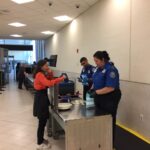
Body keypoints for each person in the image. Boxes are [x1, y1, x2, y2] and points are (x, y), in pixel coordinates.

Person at [90, 51, 121, 149]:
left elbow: (110, 87)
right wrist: (92, 88)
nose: (95, 63)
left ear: (103, 60)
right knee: (99, 119)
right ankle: (100, 141)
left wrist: (97, 92)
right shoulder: (97, 69)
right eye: (94, 61)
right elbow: (95, 80)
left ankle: (110, 145)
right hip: (99, 96)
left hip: (110, 97)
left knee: (108, 121)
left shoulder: (111, 70)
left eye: (97, 61)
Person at [33, 59, 65, 150]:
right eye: (46, 66)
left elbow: (49, 79)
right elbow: (48, 83)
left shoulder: (42, 74)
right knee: (42, 122)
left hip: (42, 97)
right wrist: (61, 79)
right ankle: (39, 144)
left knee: (43, 122)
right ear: (41, 67)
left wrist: (50, 73)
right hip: (40, 99)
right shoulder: (39, 75)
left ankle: (41, 139)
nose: (48, 67)